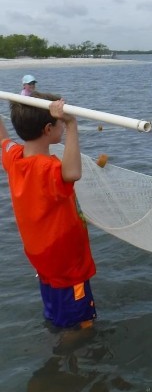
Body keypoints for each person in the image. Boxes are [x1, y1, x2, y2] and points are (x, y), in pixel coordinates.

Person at [0, 92, 97, 329]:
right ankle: (66, 359)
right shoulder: (48, 169)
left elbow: (2, 138)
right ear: (47, 130)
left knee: (56, 310)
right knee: (80, 324)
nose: (62, 128)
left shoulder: (14, 157)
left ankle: (57, 342)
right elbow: (73, 172)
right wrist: (72, 124)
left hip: (43, 259)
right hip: (67, 264)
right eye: (59, 125)